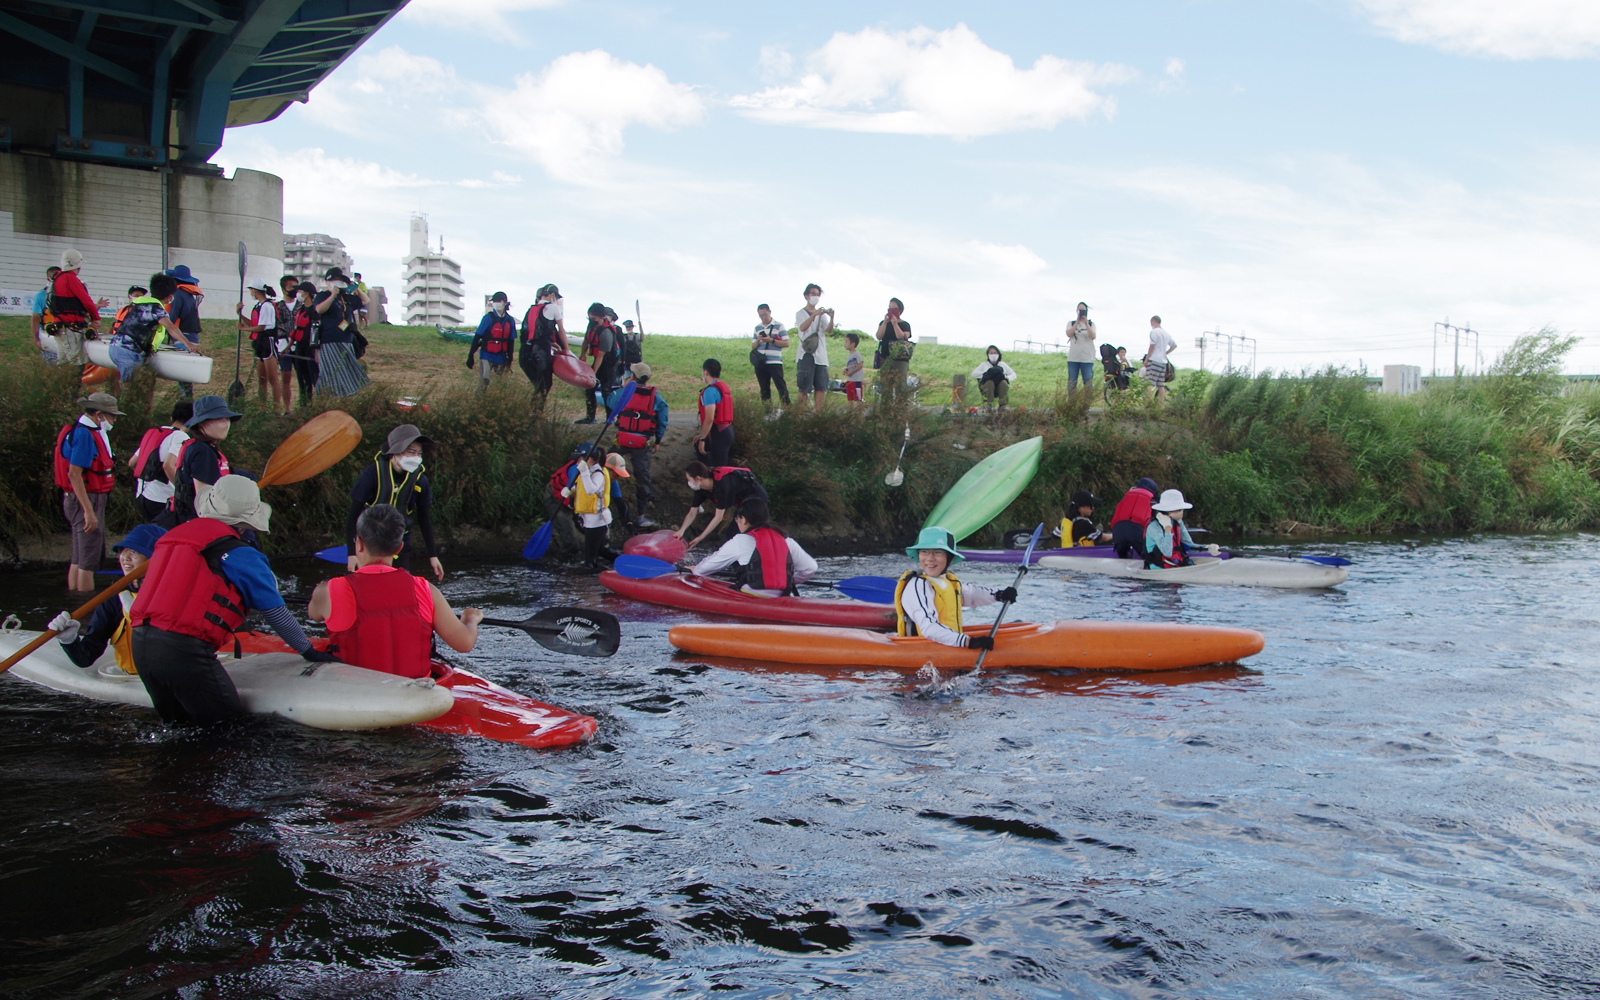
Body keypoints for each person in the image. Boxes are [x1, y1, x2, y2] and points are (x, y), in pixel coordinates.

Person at [129, 475, 335, 724]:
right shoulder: (243, 555)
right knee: (227, 729)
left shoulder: (172, 539)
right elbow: (277, 615)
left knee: (178, 727)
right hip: (182, 653)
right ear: (248, 520)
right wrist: (308, 651)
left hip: (140, 644)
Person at [308, 505, 482, 677]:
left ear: (359, 544)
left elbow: (314, 614)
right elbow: (464, 643)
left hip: (356, 698)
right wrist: (470, 619)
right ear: (399, 548)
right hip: (413, 699)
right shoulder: (426, 589)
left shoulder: (328, 591)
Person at [49, 523, 168, 677]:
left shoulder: (177, 596)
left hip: (171, 679)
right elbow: (85, 658)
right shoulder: (113, 602)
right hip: (131, 679)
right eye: (123, 551)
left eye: (134, 551)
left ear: (157, 559)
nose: (125, 557)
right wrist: (69, 641)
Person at [345, 424, 443, 581]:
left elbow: (424, 519)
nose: (416, 457)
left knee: (399, 588)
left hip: (400, 544)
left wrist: (433, 555)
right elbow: (352, 517)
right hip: (369, 545)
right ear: (395, 452)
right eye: (411, 452)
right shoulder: (371, 475)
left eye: (419, 453)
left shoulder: (420, 480)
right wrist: (351, 553)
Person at [894, 527, 1015, 648]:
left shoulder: (949, 581)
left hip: (947, 644)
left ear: (950, 558)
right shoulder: (917, 585)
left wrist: (999, 595)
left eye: (937, 552)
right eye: (924, 551)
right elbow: (928, 627)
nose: (930, 558)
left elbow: (972, 595)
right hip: (922, 649)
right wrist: (968, 642)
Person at [54, 392, 123, 591]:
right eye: (112, 416)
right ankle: (86, 610)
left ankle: (74, 603)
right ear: (99, 414)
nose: (114, 420)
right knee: (88, 560)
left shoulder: (80, 431)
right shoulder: (84, 435)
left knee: (79, 556)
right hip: (85, 500)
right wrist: (89, 512)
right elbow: (74, 474)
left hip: (80, 499)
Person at [690, 497, 817, 596]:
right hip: (781, 596)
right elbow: (810, 568)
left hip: (749, 596)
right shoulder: (786, 540)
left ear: (743, 519)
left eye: (737, 520)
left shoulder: (742, 540)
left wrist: (695, 569)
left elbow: (705, 569)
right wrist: (790, 580)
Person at [106, 273, 200, 384]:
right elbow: (170, 327)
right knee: (131, 388)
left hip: (115, 347)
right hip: (128, 351)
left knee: (132, 384)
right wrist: (187, 343)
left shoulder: (138, 304)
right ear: (169, 296)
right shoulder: (156, 309)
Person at [169, 394, 241, 524]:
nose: (226, 424)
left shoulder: (201, 447)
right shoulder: (202, 451)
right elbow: (204, 500)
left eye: (227, 419)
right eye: (219, 419)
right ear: (201, 423)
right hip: (200, 523)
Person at [614, 362, 667, 527]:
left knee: (604, 464)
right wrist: (657, 440)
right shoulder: (655, 397)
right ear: (649, 378)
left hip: (621, 440)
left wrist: (623, 386)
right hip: (642, 443)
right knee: (643, 478)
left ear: (632, 376)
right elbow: (662, 419)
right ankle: (641, 516)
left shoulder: (623, 393)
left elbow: (610, 402)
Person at [674, 461, 767, 550]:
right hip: (741, 499)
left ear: (698, 478)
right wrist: (682, 530)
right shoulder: (701, 489)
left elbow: (718, 517)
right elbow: (692, 512)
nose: (688, 483)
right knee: (735, 531)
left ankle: (744, 559)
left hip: (755, 497)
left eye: (689, 480)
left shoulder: (721, 486)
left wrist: (700, 537)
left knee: (735, 531)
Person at [129, 400, 193, 522]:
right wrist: (184, 492)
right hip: (162, 499)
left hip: (142, 497)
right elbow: (168, 466)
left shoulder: (155, 433)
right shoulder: (180, 436)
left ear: (172, 417)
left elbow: (132, 463)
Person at [314, 269, 370, 397]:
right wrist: (332, 296)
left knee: (348, 369)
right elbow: (319, 309)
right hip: (329, 339)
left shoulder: (346, 298)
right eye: (334, 280)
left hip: (346, 338)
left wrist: (356, 288)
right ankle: (326, 396)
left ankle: (346, 396)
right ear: (327, 282)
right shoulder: (322, 295)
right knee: (330, 370)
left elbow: (365, 300)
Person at [566, 445, 620, 568]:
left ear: (588, 458)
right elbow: (583, 489)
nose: (578, 462)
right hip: (590, 519)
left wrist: (584, 471)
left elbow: (591, 490)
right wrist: (571, 491)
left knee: (589, 558)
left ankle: (592, 579)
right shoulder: (588, 471)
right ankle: (621, 561)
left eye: (579, 459)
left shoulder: (598, 473)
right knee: (599, 550)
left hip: (598, 520)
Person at [48, 250, 104, 364]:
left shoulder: (57, 278)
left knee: (63, 362)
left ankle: (61, 381)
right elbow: (86, 301)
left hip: (60, 327)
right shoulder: (70, 278)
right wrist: (95, 318)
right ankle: (72, 382)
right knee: (75, 362)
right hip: (71, 328)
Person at [1144, 489, 1219, 568]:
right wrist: (1167, 528)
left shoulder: (1177, 522)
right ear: (1168, 510)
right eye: (1179, 509)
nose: (1182, 511)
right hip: (1159, 569)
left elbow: (1188, 545)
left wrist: (1206, 548)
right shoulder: (1154, 527)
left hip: (1176, 565)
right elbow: (1167, 552)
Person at [580, 302, 623, 423]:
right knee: (589, 388)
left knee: (605, 390)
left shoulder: (606, 332)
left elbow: (600, 355)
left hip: (608, 363)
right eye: (589, 318)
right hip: (598, 359)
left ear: (601, 317)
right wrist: (583, 354)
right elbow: (586, 341)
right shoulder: (591, 325)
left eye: (593, 319)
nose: (591, 321)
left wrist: (593, 373)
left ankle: (610, 418)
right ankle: (590, 417)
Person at [164, 264, 204, 396]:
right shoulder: (189, 294)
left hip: (182, 336)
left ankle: (186, 399)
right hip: (192, 336)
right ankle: (187, 398)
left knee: (182, 373)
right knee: (185, 373)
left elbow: (172, 316)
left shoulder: (178, 294)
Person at [520, 284, 563, 399]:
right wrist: (566, 349)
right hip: (540, 351)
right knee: (545, 384)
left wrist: (551, 343)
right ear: (552, 295)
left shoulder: (530, 310)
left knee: (539, 385)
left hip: (524, 352)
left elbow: (531, 333)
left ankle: (534, 412)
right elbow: (561, 330)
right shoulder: (553, 308)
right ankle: (535, 412)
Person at [467, 291, 515, 393]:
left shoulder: (510, 320)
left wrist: (510, 357)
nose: (496, 303)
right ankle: (478, 402)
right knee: (485, 380)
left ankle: (495, 404)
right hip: (487, 355)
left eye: (499, 301)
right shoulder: (488, 318)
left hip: (502, 356)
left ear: (505, 303)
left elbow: (511, 341)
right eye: (494, 301)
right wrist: (470, 355)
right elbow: (477, 337)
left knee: (500, 384)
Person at [795, 283, 833, 410]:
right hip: (806, 354)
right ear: (806, 296)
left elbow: (828, 331)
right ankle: (799, 414)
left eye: (817, 294)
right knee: (804, 387)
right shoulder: (800, 313)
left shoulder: (822, 315)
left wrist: (831, 318)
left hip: (820, 355)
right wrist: (813, 315)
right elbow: (802, 327)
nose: (815, 297)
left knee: (821, 386)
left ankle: (818, 414)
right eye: (813, 294)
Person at [751, 304, 791, 413]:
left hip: (774, 361)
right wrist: (759, 340)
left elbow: (786, 343)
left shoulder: (778, 326)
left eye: (765, 314)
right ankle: (767, 412)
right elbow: (753, 346)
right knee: (764, 389)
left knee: (781, 387)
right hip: (761, 362)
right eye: (760, 315)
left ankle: (788, 410)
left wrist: (771, 340)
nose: (763, 317)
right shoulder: (757, 328)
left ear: (770, 312)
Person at [285, 281, 320, 406]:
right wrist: (288, 347)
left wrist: (316, 351)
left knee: (314, 378)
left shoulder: (315, 311)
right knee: (302, 379)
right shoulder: (300, 309)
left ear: (307, 294)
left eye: (300, 291)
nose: (297, 293)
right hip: (299, 348)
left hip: (310, 350)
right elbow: (296, 330)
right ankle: (304, 405)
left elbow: (316, 332)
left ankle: (319, 405)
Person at [694, 358, 734, 466]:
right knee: (698, 443)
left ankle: (709, 478)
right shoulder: (721, 387)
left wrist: (703, 438)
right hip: (726, 431)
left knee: (720, 469)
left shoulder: (710, 391)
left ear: (705, 372)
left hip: (719, 434)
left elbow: (709, 418)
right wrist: (702, 436)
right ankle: (706, 476)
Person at [1108, 477, 1159, 560]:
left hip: (1118, 530)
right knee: (1149, 559)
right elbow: (1157, 519)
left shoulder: (1126, 496)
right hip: (1136, 529)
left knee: (1123, 560)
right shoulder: (1152, 499)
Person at [874, 297, 913, 396]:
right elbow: (879, 336)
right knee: (886, 387)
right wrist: (885, 322)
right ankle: (886, 408)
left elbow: (901, 337)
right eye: (889, 308)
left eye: (894, 308)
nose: (891, 310)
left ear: (899, 310)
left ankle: (899, 409)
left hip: (899, 359)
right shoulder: (883, 324)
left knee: (900, 387)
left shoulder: (905, 325)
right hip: (885, 357)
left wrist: (895, 324)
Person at [970, 345, 1018, 412]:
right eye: (991, 353)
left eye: (995, 353)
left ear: (998, 354)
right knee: (990, 382)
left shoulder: (1002, 365)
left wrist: (1007, 378)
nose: (993, 355)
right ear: (988, 355)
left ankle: (1002, 405)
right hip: (987, 387)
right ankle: (990, 404)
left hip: (999, 388)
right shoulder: (984, 365)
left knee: (1003, 383)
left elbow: (1013, 374)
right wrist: (985, 374)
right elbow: (973, 374)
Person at [31, 266, 62, 362]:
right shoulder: (41, 296)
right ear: (49, 279)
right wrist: (36, 338)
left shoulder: (66, 295)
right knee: (51, 364)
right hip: (47, 334)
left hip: (64, 334)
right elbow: (35, 318)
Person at [1143, 316, 1177, 403]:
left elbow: (1152, 346)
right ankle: (1161, 405)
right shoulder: (1166, 334)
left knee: (1149, 383)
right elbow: (1174, 345)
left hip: (1154, 360)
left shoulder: (1154, 332)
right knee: (1160, 385)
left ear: (1154, 321)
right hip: (1163, 362)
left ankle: (1147, 403)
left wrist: (1147, 358)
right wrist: (1165, 353)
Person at [1065, 302, 1096, 395]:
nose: (1081, 312)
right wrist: (1077, 322)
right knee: (1071, 383)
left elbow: (1093, 336)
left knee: (1088, 382)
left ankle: (1087, 404)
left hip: (1087, 358)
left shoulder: (1091, 324)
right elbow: (1069, 334)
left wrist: (1086, 324)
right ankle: (1071, 403)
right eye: (1079, 310)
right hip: (1073, 358)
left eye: (1083, 310)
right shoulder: (1071, 323)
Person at [841, 332, 866, 409]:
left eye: (846, 342)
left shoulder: (856, 353)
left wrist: (851, 372)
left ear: (852, 344)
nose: (845, 344)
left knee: (858, 398)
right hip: (850, 380)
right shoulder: (849, 355)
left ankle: (859, 415)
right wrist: (846, 370)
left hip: (856, 380)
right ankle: (850, 414)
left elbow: (860, 364)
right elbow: (851, 365)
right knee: (850, 398)